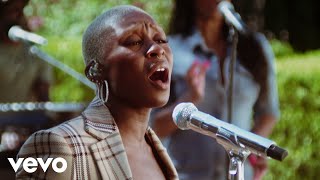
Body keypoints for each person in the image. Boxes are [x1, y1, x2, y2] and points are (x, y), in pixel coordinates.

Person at [16, 5, 178, 180]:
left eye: (161, 39)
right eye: (134, 41)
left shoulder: (157, 150)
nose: (158, 49)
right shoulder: (58, 146)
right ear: (95, 71)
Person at [151, 0, 280, 180]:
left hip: (243, 175)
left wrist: (252, 148)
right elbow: (153, 128)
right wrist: (191, 97)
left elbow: (268, 112)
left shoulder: (256, 47)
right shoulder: (170, 50)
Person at [0, 0, 52, 151]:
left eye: (21, 9)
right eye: (11, 10)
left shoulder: (34, 51)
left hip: (22, 131)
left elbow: (43, 101)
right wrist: (4, 131)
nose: (19, 15)